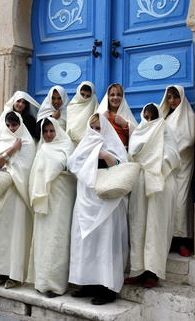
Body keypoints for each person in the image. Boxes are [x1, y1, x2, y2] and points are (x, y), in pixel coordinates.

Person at [68, 113, 129, 305]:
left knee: (105, 244)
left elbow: (122, 168)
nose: (95, 132)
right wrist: (91, 152)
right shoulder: (84, 146)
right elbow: (73, 164)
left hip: (106, 204)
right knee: (86, 244)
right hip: (86, 201)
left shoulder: (113, 145)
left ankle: (106, 289)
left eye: (99, 128)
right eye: (92, 128)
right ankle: (87, 283)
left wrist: (105, 155)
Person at [125, 103, 181, 288]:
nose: (149, 121)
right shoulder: (138, 132)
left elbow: (172, 155)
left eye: (152, 117)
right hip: (141, 185)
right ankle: (137, 270)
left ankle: (153, 273)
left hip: (160, 184)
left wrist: (156, 165)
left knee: (155, 228)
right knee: (139, 227)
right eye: (146, 117)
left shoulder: (164, 130)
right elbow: (132, 156)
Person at [0, 111, 35, 289]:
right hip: (0, 196)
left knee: (15, 235)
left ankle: (15, 275)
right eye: (9, 125)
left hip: (17, 196)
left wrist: (7, 166)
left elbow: (25, 170)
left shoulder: (28, 144)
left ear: (20, 124)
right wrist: (11, 150)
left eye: (15, 124)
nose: (12, 128)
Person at [28, 117, 76, 297]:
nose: (48, 135)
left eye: (51, 131)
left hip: (61, 201)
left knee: (57, 241)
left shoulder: (66, 146)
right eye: (45, 131)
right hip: (44, 203)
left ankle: (55, 284)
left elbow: (68, 169)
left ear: (58, 130)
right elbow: (34, 175)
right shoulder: (41, 148)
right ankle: (42, 281)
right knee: (43, 241)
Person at [159, 85, 195, 257]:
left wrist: (170, 153)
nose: (172, 101)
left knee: (180, 202)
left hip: (182, 166)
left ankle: (183, 241)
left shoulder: (188, 116)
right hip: (165, 167)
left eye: (175, 97)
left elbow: (188, 138)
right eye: (169, 98)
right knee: (167, 202)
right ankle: (169, 240)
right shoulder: (165, 116)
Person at [97, 83, 137, 148]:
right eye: (112, 95)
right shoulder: (101, 114)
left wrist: (125, 125)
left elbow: (137, 136)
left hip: (122, 154)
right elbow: (92, 134)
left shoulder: (127, 115)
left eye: (118, 95)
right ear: (108, 97)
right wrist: (101, 120)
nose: (115, 97)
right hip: (104, 153)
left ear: (122, 97)